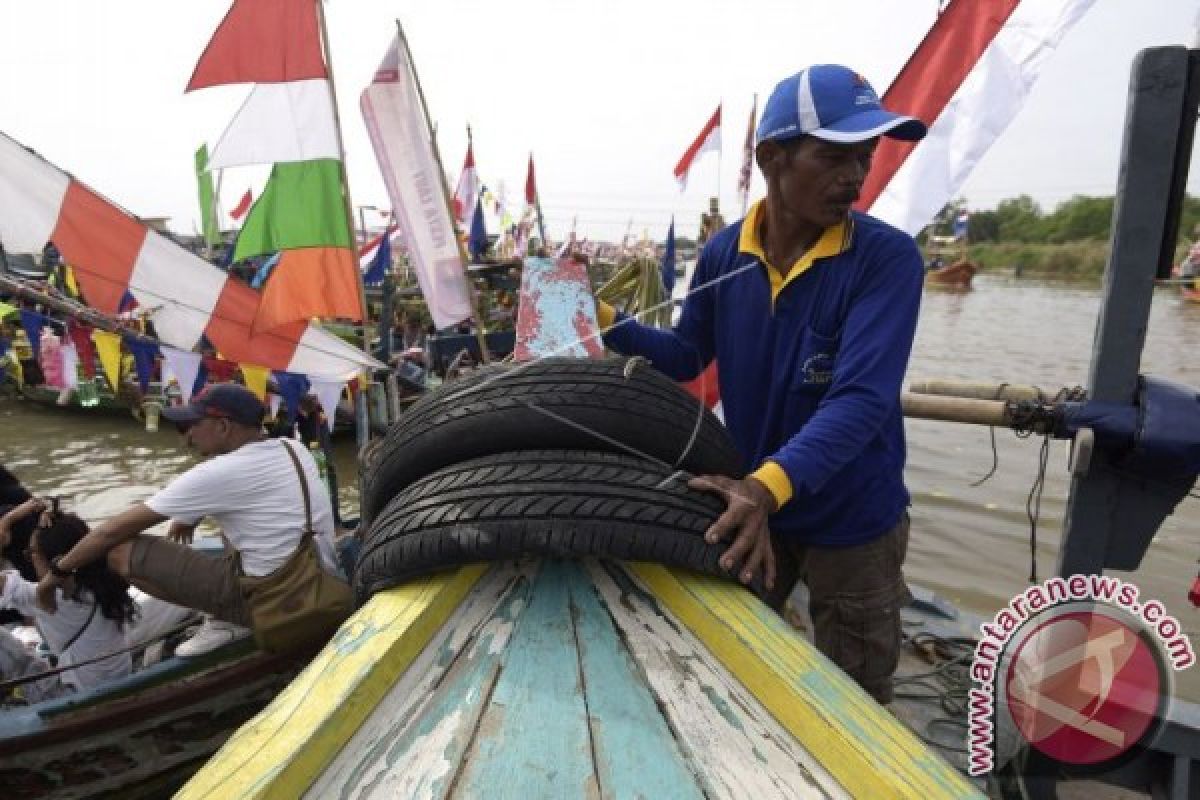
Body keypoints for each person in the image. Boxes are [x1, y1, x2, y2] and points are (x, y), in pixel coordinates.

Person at [597, 64, 927, 704]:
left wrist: (762, 487)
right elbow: (691, 354)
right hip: (760, 507)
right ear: (772, 157)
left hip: (849, 516)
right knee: (737, 656)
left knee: (856, 692)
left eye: (865, 155)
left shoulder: (886, 260)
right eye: (834, 155)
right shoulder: (724, 254)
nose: (855, 176)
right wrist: (610, 323)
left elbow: (860, 400)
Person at [34, 384, 343, 657]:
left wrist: (55, 574)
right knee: (233, 525)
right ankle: (230, 611)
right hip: (316, 574)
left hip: (271, 598)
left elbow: (109, 532)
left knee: (119, 550)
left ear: (223, 426)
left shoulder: (218, 473)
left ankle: (233, 618)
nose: (187, 437)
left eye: (193, 425)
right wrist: (189, 515)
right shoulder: (292, 447)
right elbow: (247, 494)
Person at [1, 499, 136, 700]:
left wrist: (6, 523)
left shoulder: (50, 599)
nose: (29, 558)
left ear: (57, 562)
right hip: (117, 674)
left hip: (76, 693)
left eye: (31, 554)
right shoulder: (103, 579)